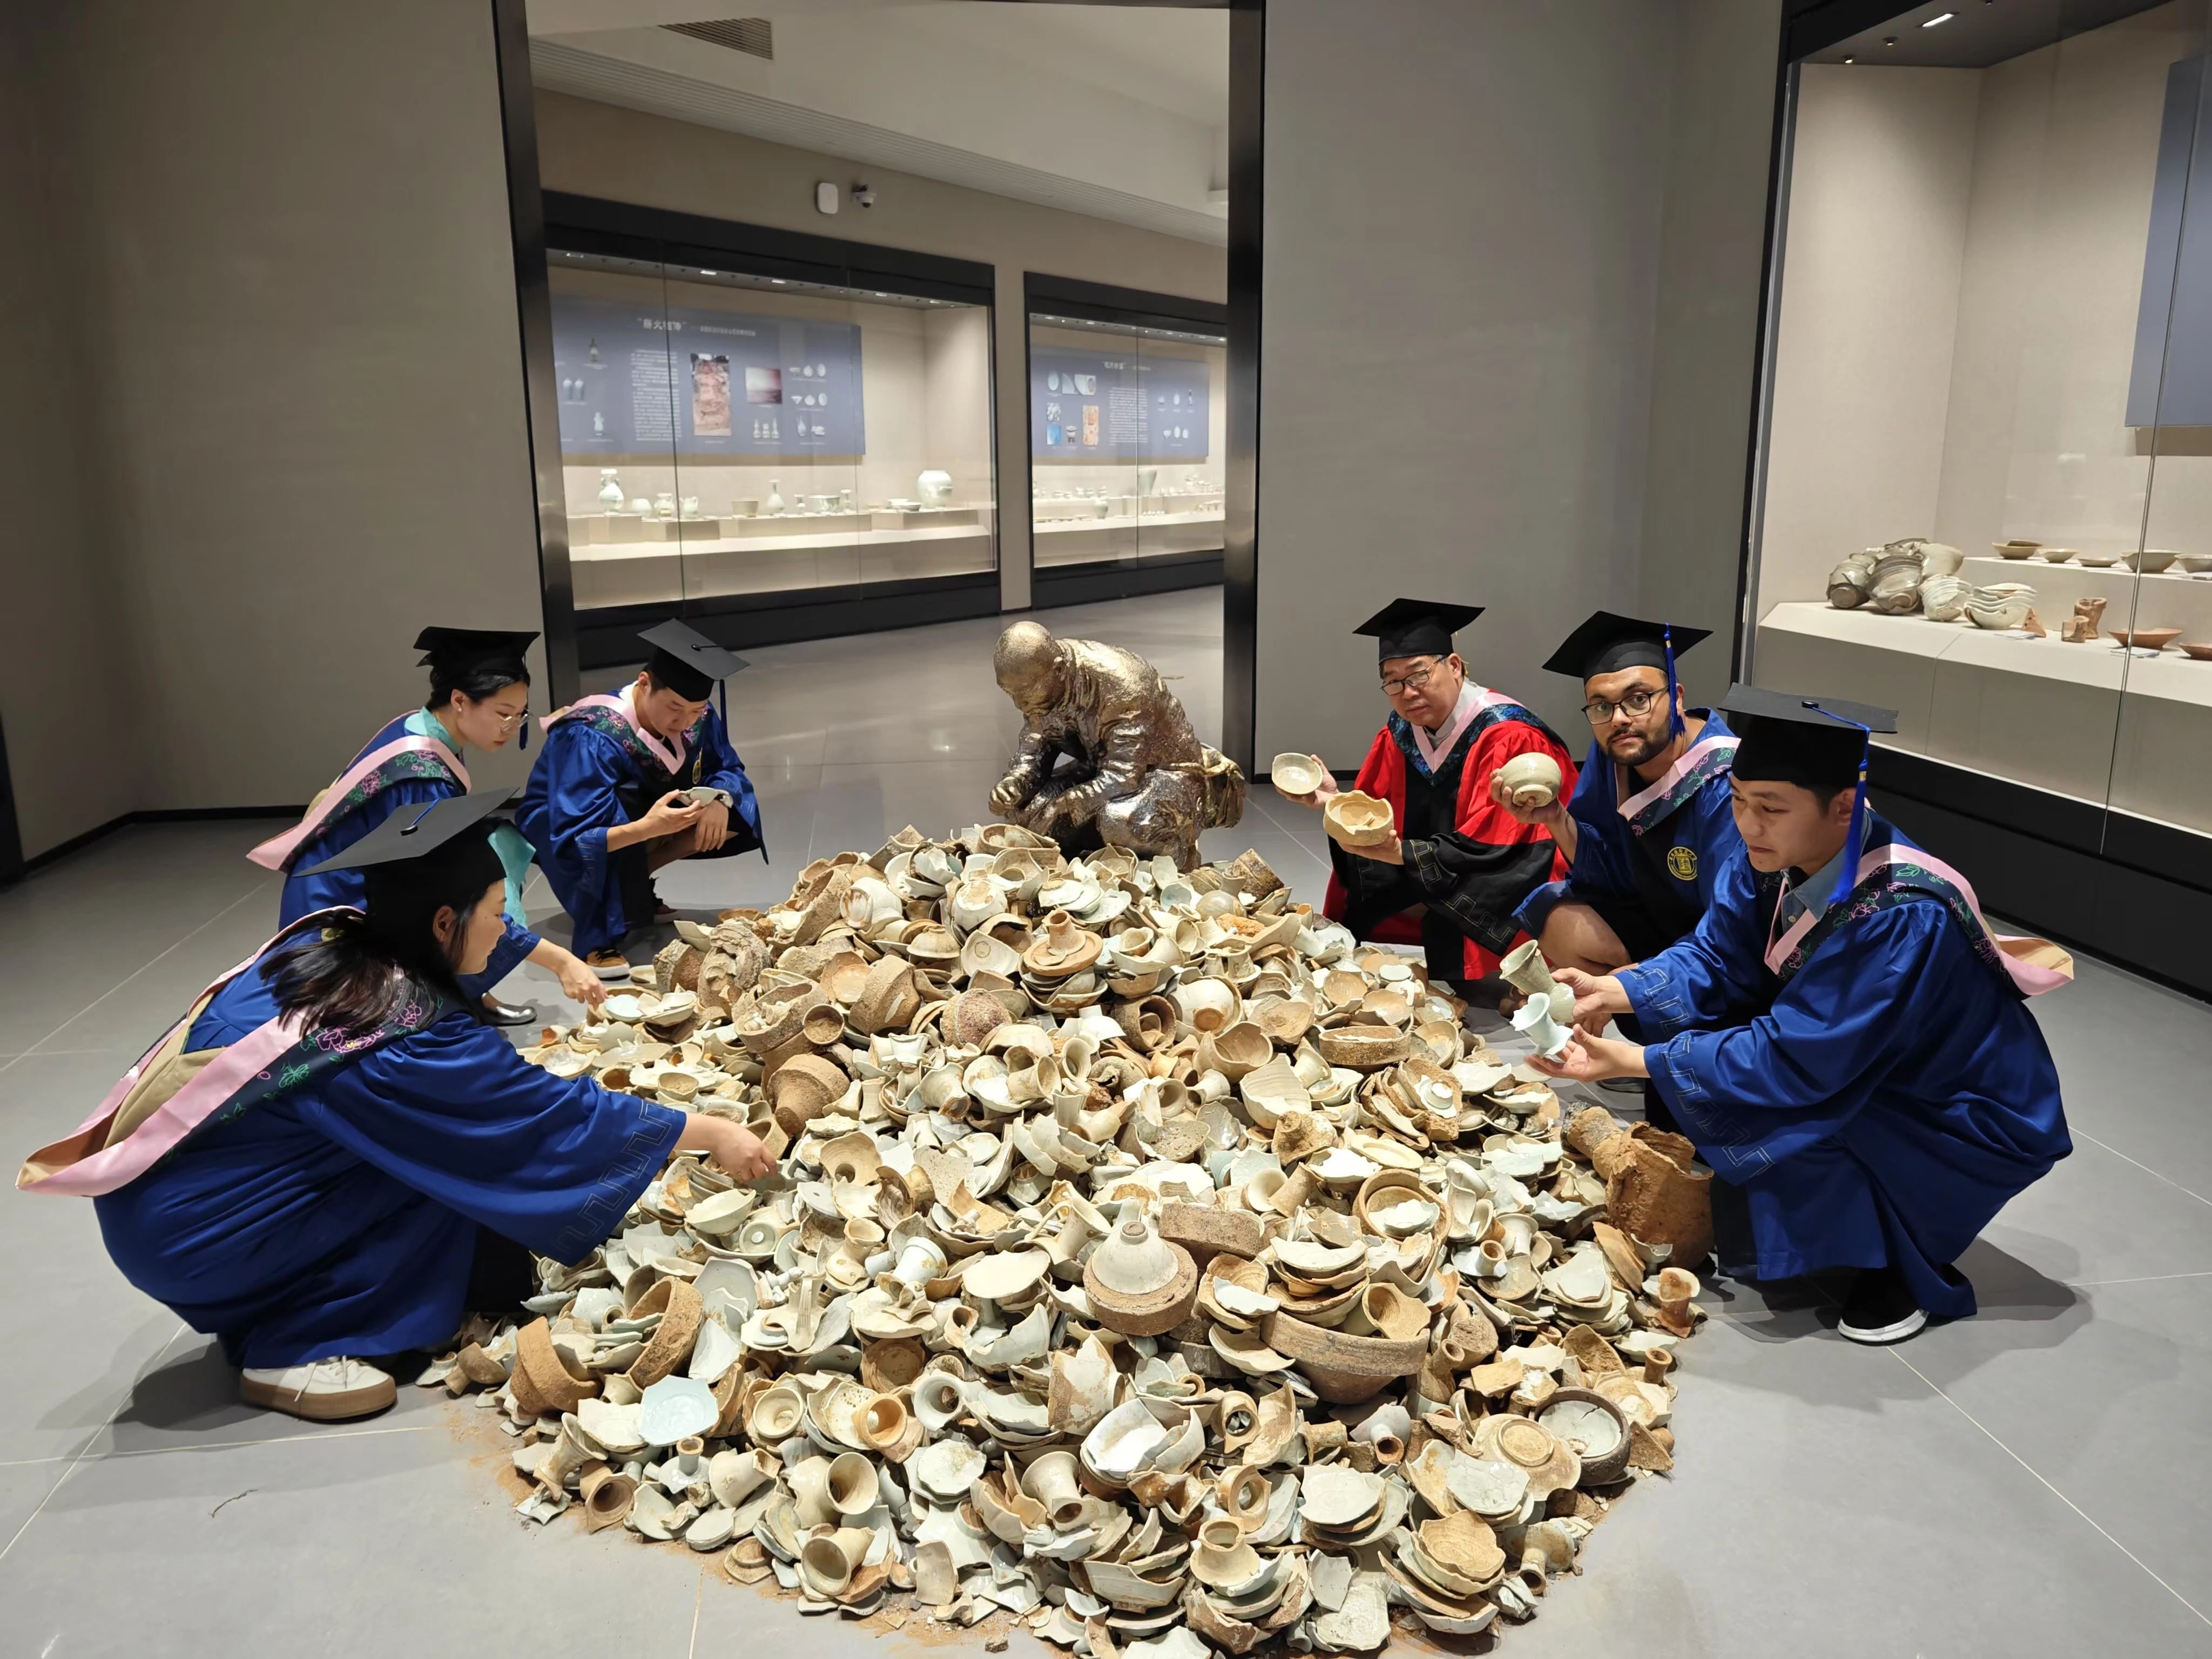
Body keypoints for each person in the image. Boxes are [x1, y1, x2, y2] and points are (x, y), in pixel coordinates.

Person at [21, 791, 774, 1421]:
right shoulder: (393, 1034)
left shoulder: (337, 941)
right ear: (443, 923)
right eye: (496, 913)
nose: (504, 931)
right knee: (457, 1195)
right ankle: (295, 1346)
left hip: (171, 1193)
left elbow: (481, 1039)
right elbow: (544, 1116)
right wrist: (707, 1132)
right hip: (199, 1233)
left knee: (461, 1185)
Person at [1529, 685, 2074, 1344]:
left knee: (1775, 1091)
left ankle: (1904, 1266)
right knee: (1711, 1051)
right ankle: (1834, 1229)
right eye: (1737, 801)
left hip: (1957, 1104)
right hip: (1864, 1058)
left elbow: (1800, 1054)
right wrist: (1618, 990)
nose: (1747, 824)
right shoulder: (1774, 857)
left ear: (1843, 806)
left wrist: (1638, 1059)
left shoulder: (1900, 912)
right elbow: (1716, 952)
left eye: (1770, 807)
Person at [248, 626, 606, 1026]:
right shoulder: (421, 774)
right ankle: (459, 995)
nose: (511, 726)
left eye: (520, 715)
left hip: (355, 882)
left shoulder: (417, 727)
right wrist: (560, 960)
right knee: (466, 896)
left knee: (501, 844)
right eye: (503, 714)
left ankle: (470, 992)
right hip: (341, 911)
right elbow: (444, 883)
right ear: (459, 701)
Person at [1277, 598, 1577, 996]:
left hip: (1513, 864)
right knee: (1363, 859)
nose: (1407, 692)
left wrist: (1407, 854)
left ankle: (1524, 974)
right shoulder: (1402, 732)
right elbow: (1376, 812)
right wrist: (1334, 803)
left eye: (1419, 675)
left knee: (1468, 870)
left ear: (1454, 666)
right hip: (1453, 856)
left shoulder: (1509, 734)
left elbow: (1501, 844)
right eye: (1393, 682)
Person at [520, 619, 764, 977]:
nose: (684, 722)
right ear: (645, 683)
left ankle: (634, 885)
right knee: (619, 809)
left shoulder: (698, 715)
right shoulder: (593, 732)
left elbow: (727, 766)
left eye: (696, 710)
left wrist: (719, 799)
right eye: (675, 708)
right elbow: (578, 831)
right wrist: (650, 827)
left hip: (643, 807)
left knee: (738, 812)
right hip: (565, 816)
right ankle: (598, 937)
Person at [1504, 611, 1739, 975]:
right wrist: (1555, 818)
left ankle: (1652, 995)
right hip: (1654, 916)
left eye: (1639, 699)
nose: (1619, 719)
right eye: (1601, 706)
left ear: (1676, 697)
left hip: (1718, 945)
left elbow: (1733, 925)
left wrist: (1639, 984)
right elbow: (1606, 871)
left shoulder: (1726, 781)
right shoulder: (1617, 754)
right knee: (1556, 917)